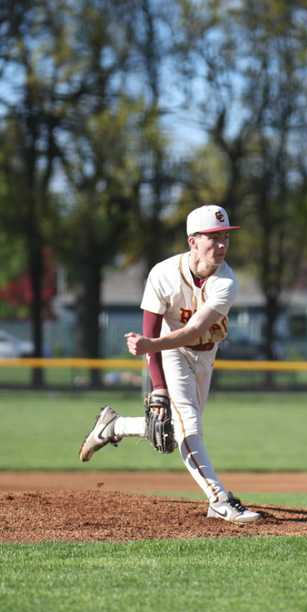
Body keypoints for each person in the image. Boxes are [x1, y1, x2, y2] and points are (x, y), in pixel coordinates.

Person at [78, 204, 261, 524]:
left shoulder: (226, 282)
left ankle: (113, 427)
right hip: (171, 353)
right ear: (192, 241)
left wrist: (152, 345)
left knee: (177, 431)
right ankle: (218, 499)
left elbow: (192, 331)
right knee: (190, 427)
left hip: (204, 354)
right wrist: (159, 386)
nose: (221, 245)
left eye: (226, 238)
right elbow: (150, 338)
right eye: (213, 238)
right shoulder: (163, 274)